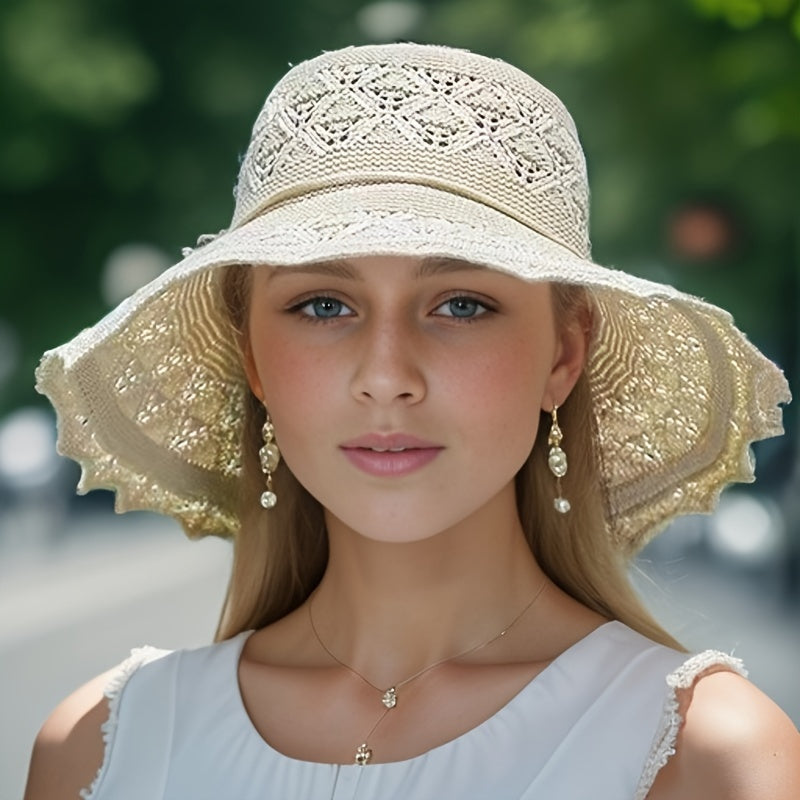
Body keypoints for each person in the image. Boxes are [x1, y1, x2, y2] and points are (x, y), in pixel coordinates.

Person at [25, 43, 799, 800]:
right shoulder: (99, 745)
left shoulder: (709, 758)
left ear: (565, 354)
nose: (387, 378)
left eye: (461, 305)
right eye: (323, 306)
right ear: (252, 359)